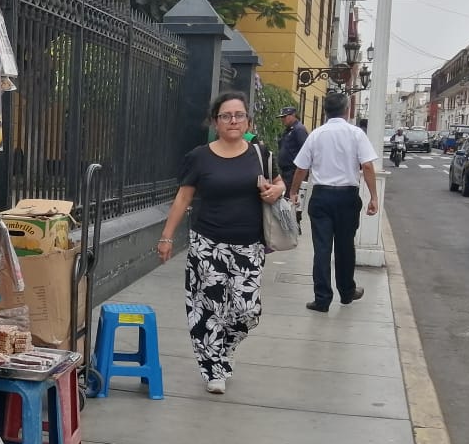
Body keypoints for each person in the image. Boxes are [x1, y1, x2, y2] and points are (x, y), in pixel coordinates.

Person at [157, 91, 285, 395]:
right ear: (215, 121)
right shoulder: (200, 156)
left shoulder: (261, 154)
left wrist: (277, 190)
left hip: (249, 246)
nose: (233, 121)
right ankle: (214, 368)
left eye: (239, 115)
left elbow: (279, 182)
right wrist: (166, 236)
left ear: (248, 121)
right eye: (226, 116)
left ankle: (226, 347)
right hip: (207, 245)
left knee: (247, 311)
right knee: (209, 309)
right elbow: (183, 198)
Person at [288, 90, 380, 313]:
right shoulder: (356, 134)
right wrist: (373, 196)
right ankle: (347, 292)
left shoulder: (316, 135)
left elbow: (301, 168)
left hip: (321, 196)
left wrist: (293, 192)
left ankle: (322, 298)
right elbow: (367, 166)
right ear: (347, 110)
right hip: (347, 196)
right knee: (345, 246)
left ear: (326, 112)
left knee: (322, 248)